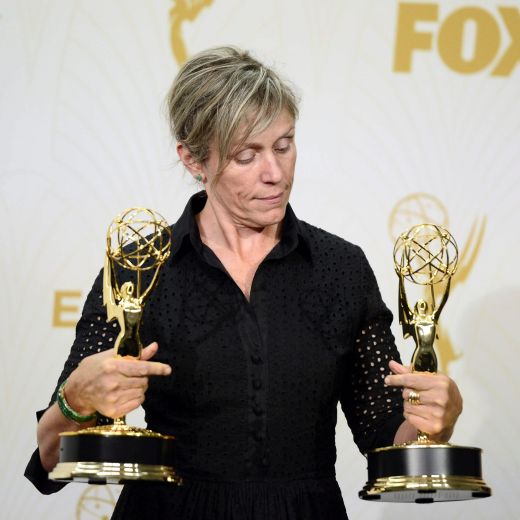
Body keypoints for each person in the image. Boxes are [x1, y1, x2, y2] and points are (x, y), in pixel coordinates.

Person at [25, 46, 463, 519]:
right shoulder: (139, 267)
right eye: (246, 155)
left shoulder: (341, 267)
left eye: (284, 145)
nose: (275, 174)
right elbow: (50, 460)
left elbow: (386, 438)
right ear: (194, 160)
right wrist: (75, 400)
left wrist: (433, 425)